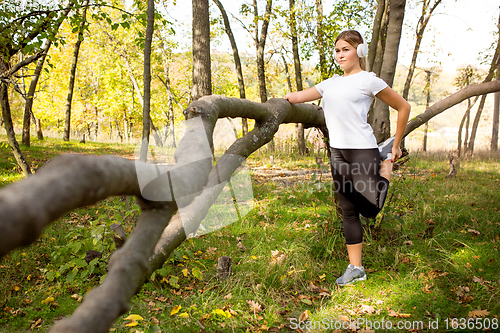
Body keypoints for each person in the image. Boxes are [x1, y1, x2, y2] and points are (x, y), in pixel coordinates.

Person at [285, 30, 410, 286]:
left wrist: (396, 145)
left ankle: (386, 163)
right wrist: (277, 104)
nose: (340, 55)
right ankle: (356, 268)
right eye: (338, 50)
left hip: (362, 151)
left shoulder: (368, 81)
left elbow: (403, 107)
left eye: (346, 49)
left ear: (360, 52)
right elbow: (296, 98)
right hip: (338, 152)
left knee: (371, 209)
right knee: (348, 211)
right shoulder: (330, 84)